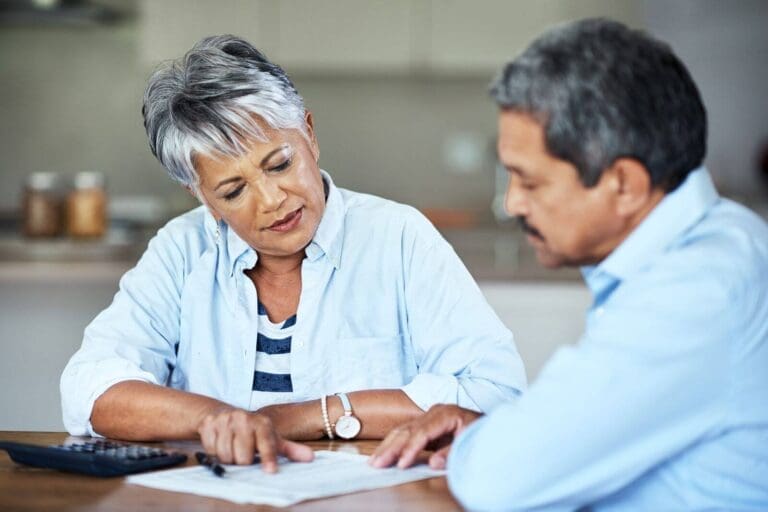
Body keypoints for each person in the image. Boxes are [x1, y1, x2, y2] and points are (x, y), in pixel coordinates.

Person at [60, 35, 526, 472]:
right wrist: (216, 419)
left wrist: (303, 416)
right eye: (233, 190)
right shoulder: (182, 250)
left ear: (309, 134)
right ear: (201, 196)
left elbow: (495, 393)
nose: (271, 200)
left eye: (279, 164)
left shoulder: (399, 237)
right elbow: (90, 389)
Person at [371, 18, 768, 510]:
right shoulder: (730, 237)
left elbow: (500, 479)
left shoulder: (695, 293)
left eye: (529, 182)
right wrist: (501, 433)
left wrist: (490, 442)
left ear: (624, 184)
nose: (512, 204)